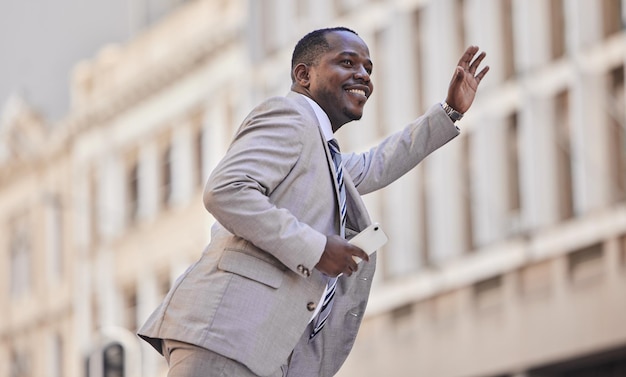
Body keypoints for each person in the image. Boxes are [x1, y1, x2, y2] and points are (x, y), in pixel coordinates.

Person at [138, 26, 489, 377]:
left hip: (262, 351)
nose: (363, 76)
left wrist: (449, 112)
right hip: (229, 338)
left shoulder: (323, 153)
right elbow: (227, 190)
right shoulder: (288, 116)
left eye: (368, 68)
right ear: (303, 75)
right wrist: (316, 249)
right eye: (348, 62)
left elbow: (376, 163)